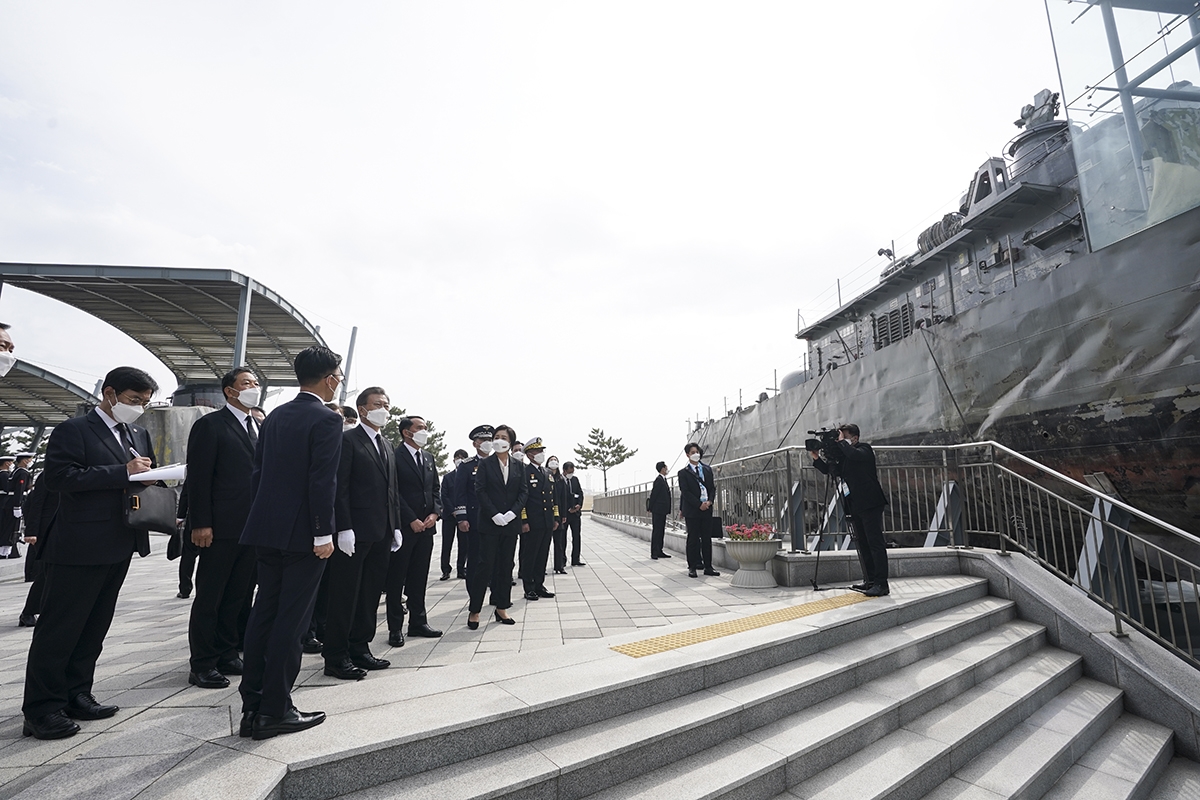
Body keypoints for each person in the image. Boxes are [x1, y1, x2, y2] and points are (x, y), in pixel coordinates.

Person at [22, 366, 160, 740]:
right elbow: (59, 478)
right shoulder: (75, 429)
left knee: (94, 625)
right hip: (78, 544)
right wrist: (122, 472)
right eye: (134, 401)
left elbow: (138, 477)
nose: (138, 408)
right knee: (60, 627)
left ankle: (77, 692)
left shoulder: (138, 433)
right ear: (110, 393)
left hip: (120, 540)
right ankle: (41, 708)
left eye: (145, 403)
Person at [237, 346, 341, 741]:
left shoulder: (275, 416)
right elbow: (321, 481)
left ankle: (253, 707)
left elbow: (258, 475)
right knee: (292, 622)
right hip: (303, 536)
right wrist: (322, 533)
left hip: (266, 529)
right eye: (337, 378)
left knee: (264, 613)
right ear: (329, 378)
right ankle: (277, 709)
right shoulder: (327, 420)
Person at [183, 367, 262, 689]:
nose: (253, 388)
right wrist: (200, 522)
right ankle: (202, 662)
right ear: (230, 391)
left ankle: (228, 652)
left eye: (256, 383)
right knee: (211, 596)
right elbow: (199, 478)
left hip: (251, 528)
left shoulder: (257, 426)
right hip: (219, 527)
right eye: (247, 383)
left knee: (239, 595)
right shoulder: (210, 425)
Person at [324, 387, 399, 680]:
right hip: (353, 532)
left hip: (380, 531)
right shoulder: (347, 441)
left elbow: (391, 489)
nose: (384, 409)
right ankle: (336, 656)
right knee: (345, 594)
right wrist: (343, 527)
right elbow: (339, 487)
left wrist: (395, 526)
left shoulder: (386, 444)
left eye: (387, 405)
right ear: (363, 409)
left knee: (369, 593)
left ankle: (360, 647)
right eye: (378, 404)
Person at [810, 424, 889, 596]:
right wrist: (817, 459)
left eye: (844, 437)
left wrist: (841, 443)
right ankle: (870, 581)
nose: (841, 440)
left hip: (870, 502)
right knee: (863, 544)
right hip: (855, 504)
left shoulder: (864, 449)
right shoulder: (845, 456)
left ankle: (882, 583)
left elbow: (855, 455)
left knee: (875, 543)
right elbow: (831, 471)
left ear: (854, 437)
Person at [389, 416, 443, 644]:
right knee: (396, 578)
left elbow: (435, 491)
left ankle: (418, 622)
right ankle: (395, 627)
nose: (424, 431)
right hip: (404, 528)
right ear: (406, 432)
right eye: (419, 428)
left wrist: (435, 513)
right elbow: (393, 491)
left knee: (419, 577)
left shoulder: (429, 458)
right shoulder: (394, 456)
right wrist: (411, 518)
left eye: (426, 427)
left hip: (426, 528)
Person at [467, 424, 527, 629]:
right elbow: (480, 491)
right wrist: (494, 514)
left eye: (503, 437)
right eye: (496, 437)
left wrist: (512, 513)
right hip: (490, 523)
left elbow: (523, 492)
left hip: (510, 524)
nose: (499, 440)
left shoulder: (519, 466)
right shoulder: (485, 464)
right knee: (485, 566)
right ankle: (475, 610)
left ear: (510, 442)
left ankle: (501, 607)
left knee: (505, 566)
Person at [518, 437, 558, 602]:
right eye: (538, 451)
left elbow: (553, 498)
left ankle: (540, 585)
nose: (541, 454)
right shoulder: (524, 472)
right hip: (532, 522)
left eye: (542, 451)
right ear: (529, 454)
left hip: (547, 521)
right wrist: (524, 521)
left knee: (542, 555)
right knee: (530, 555)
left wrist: (555, 517)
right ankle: (529, 588)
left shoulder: (547, 473)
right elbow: (522, 499)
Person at [18, 471, 57, 628]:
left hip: (66, 528)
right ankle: (29, 611)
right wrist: (32, 531)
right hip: (46, 530)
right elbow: (36, 503)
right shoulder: (48, 475)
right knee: (47, 572)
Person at [678, 443, 720, 579]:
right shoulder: (683, 473)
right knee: (693, 539)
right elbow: (685, 492)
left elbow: (712, 488)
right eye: (692, 452)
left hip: (707, 509)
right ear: (687, 455)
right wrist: (698, 504)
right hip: (693, 510)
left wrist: (710, 501)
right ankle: (692, 567)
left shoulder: (707, 469)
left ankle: (708, 566)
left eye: (697, 451)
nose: (696, 454)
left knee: (707, 539)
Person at [439, 449, 469, 581]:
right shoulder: (447, 477)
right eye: (457, 457)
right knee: (447, 543)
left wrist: (461, 511)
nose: (460, 459)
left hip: (463, 515)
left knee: (464, 544)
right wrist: (453, 510)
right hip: (449, 516)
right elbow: (444, 496)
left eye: (463, 457)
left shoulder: (467, 476)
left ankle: (461, 568)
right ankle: (445, 569)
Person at [2, 453, 33, 557]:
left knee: (9, 526)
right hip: (14, 502)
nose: (31, 461)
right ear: (24, 461)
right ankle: (5, 551)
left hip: (9, 501)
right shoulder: (22, 473)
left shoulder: (16, 472)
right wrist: (17, 506)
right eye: (29, 459)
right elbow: (19, 489)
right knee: (11, 527)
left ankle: (7, 550)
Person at [547, 456, 569, 574]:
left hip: (558, 513)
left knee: (559, 542)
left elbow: (563, 498)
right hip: (545, 514)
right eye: (551, 460)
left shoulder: (561, 479)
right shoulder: (544, 476)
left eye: (555, 460)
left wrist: (563, 514)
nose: (553, 462)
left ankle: (559, 566)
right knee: (543, 543)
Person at [561, 462, 585, 567]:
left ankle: (576, 559)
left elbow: (580, 493)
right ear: (564, 471)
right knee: (562, 538)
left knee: (576, 536)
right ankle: (562, 560)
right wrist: (567, 509)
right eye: (569, 472)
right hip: (565, 514)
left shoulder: (575, 480)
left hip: (575, 514)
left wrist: (579, 505)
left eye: (573, 471)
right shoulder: (560, 480)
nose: (571, 474)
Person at [648, 461, 673, 559]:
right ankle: (654, 551)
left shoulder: (663, 480)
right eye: (666, 467)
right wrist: (650, 507)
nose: (667, 468)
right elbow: (654, 494)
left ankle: (659, 550)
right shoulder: (658, 480)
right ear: (662, 468)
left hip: (662, 510)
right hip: (658, 510)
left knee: (661, 530)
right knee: (657, 530)